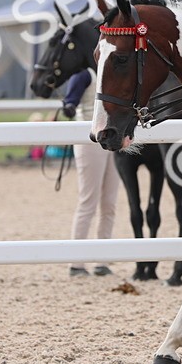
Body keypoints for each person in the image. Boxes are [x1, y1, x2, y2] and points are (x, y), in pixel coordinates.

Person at [61, 68, 119, 277]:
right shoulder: (84, 74)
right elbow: (70, 101)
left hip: (115, 138)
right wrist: (68, 105)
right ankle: (77, 262)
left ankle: (102, 261)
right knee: (88, 201)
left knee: (110, 203)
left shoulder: (117, 70)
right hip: (89, 141)